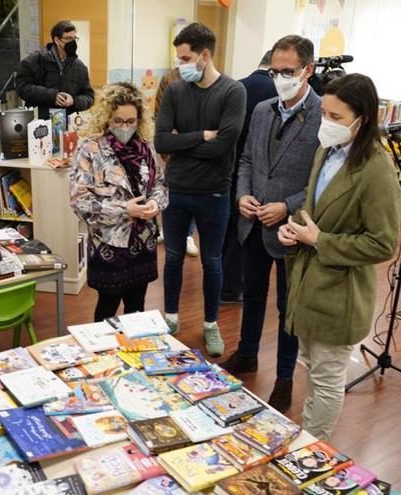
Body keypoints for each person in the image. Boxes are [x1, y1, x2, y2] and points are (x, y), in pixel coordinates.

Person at [278, 73, 401, 440]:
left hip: (340, 291)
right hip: (308, 283)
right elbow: (314, 206)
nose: (326, 124)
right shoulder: (326, 150)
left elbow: (383, 244)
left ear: (362, 118)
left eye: (336, 117)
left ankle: (313, 449)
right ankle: (307, 438)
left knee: (327, 378)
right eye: (324, 115)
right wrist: (294, 227)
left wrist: (320, 241)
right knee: (312, 367)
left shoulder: (376, 169)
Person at [220, 36, 321, 413]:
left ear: (307, 70)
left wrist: (287, 207)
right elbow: (245, 159)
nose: (280, 78)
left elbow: (320, 181)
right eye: (275, 71)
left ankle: (283, 378)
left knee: (287, 308)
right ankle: (246, 354)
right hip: (252, 222)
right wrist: (242, 195)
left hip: (291, 229)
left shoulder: (323, 116)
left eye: (289, 72)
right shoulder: (261, 109)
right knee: (253, 296)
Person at [154, 22, 246, 356]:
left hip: (214, 193)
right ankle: (172, 319)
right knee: (174, 258)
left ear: (204, 56)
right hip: (176, 191)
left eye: (186, 57)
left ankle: (210, 325)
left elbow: (224, 147)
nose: (181, 65)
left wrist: (183, 142)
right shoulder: (176, 90)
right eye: (179, 58)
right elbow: (161, 139)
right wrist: (203, 135)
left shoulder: (233, 92)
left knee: (213, 261)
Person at [69, 82, 167, 322]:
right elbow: (79, 201)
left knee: (137, 309)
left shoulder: (146, 147)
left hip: (143, 242)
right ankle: (103, 357)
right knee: (106, 310)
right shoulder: (89, 149)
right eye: (118, 121)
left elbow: (161, 186)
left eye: (131, 122)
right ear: (106, 118)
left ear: (140, 119)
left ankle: (133, 354)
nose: (125, 127)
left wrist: (155, 204)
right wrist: (125, 209)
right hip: (109, 244)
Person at [220, 50, 280, 305]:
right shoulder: (277, 95)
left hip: (232, 172)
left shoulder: (236, 87)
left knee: (230, 232)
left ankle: (224, 285)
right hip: (263, 176)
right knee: (247, 237)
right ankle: (235, 289)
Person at [154, 66, 199, 258]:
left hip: (196, 145)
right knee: (169, 186)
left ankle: (188, 235)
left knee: (193, 188)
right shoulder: (169, 78)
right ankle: (167, 229)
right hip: (171, 142)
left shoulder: (202, 78)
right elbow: (159, 109)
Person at [16, 20, 95, 120]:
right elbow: (22, 88)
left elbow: (90, 97)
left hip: (68, 127)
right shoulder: (35, 61)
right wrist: (52, 96)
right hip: (39, 125)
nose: (72, 42)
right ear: (57, 40)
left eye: (74, 38)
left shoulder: (80, 67)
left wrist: (74, 101)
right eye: (68, 38)